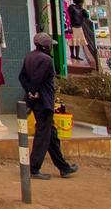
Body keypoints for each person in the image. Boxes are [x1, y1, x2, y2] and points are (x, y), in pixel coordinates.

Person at [19, 32, 78, 180]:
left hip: (36, 101)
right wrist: (34, 91)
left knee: (51, 135)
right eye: (50, 45)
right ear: (46, 46)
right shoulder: (46, 60)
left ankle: (63, 167)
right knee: (43, 136)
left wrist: (30, 92)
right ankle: (33, 167)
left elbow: (22, 77)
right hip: (44, 102)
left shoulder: (29, 56)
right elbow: (37, 79)